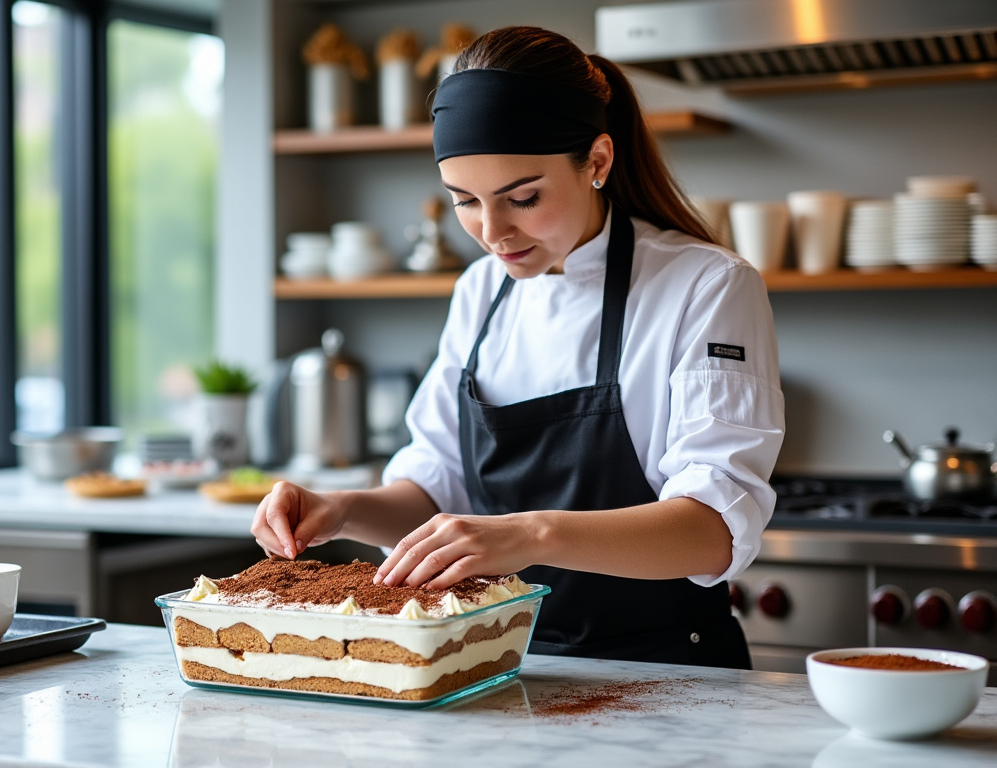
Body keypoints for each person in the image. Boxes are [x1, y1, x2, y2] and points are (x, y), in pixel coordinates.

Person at [252, 26, 784, 669]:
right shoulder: (481, 290)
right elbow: (435, 489)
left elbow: (712, 529)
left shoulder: (706, 285)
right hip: (495, 667)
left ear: (598, 161)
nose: (492, 232)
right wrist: (338, 512)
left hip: (665, 674)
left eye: (522, 198)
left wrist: (529, 534)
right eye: (465, 203)